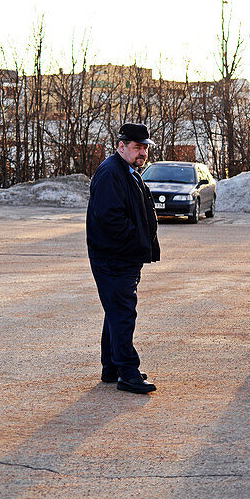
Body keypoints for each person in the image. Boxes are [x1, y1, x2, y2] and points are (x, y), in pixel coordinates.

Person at [86, 123, 161, 394]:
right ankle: (128, 372)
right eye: (137, 147)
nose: (142, 153)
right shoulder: (111, 173)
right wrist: (137, 241)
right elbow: (110, 219)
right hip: (114, 259)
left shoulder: (128, 172)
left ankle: (112, 367)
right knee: (123, 314)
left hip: (122, 258)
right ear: (121, 146)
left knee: (115, 312)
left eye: (145, 148)